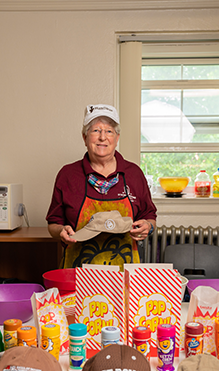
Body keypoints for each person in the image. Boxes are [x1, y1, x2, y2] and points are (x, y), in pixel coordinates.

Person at [46, 104, 157, 269]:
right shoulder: (68, 175)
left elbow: (150, 216)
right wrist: (61, 231)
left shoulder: (134, 174)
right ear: (85, 137)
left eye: (109, 131)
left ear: (117, 138)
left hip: (124, 274)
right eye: (96, 130)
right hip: (77, 273)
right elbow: (53, 223)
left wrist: (148, 227)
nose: (102, 137)